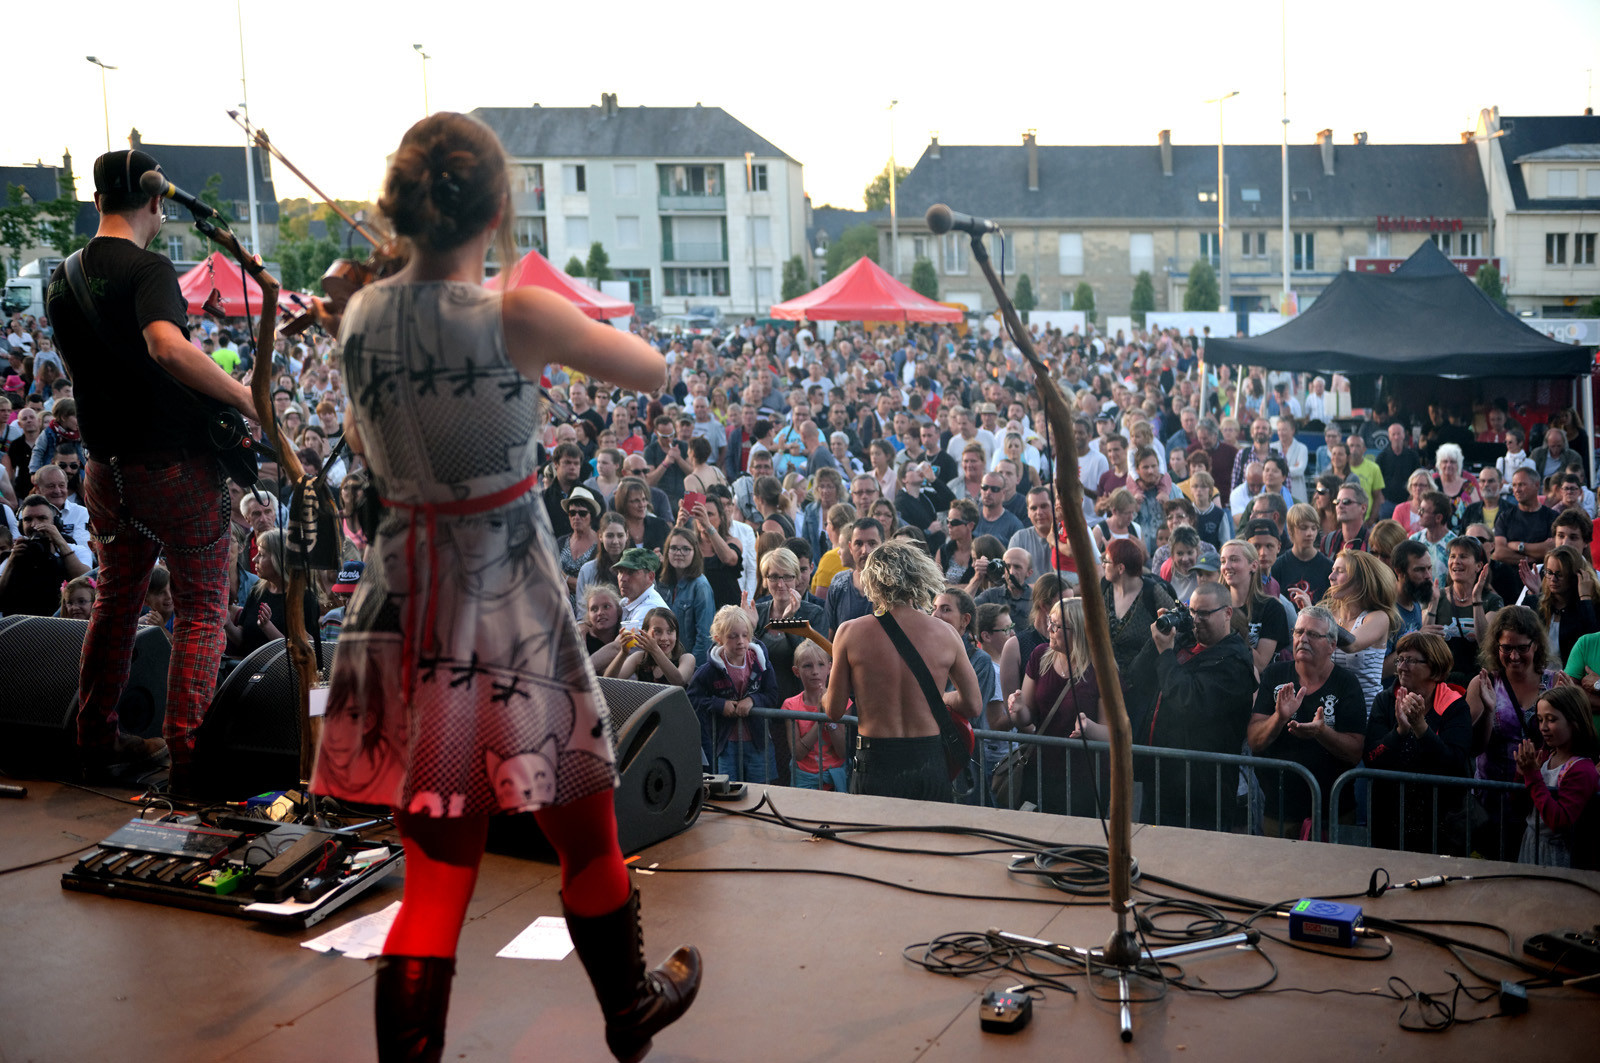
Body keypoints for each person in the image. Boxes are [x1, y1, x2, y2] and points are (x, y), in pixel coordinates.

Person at [304, 113, 697, 1063]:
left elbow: (366, 441)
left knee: (437, 875)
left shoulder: (357, 318)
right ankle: (629, 1008)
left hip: (402, 598)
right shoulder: (518, 314)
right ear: (497, 210)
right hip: (506, 602)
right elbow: (652, 369)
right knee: (586, 831)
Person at [45, 149, 260, 784]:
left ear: (97, 201)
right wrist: (244, 396)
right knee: (201, 605)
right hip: (173, 468)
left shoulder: (62, 278)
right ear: (157, 201)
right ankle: (187, 753)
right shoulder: (149, 268)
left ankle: (97, 740)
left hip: (106, 470)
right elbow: (165, 346)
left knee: (115, 602)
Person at [823, 539, 982, 801]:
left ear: (872, 580)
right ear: (919, 577)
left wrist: (823, 696)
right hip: (929, 760)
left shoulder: (849, 633)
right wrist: (939, 698)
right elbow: (973, 705)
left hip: (874, 760)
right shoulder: (946, 634)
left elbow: (834, 710)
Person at [1126, 581, 1257, 832]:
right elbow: (1137, 677)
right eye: (1192, 611)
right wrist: (1158, 639)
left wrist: (1166, 654)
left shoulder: (1235, 662)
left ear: (1227, 613)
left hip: (1202, 787)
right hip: (1161, 775)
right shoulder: (1183, 641)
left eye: (1204, 613)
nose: (1196, 620)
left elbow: (1189, 702)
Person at [1247, 606, 1366, 838]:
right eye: (1298, 632)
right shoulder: (1274, 674)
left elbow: (1355, 752)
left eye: (1312, 634)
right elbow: (1254, 741)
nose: (1303, 639)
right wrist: (1279, 718)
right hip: (1280, 809)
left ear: (1332, 645)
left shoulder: (1346, 683)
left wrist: (1322, 732)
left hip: (1333, 810)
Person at [1466, 605, 1564, 860]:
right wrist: (1488, 711)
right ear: (1495, 646)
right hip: (1491, 801)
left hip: (1539, 799)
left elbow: (1571, 744)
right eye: (1506, 648)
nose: (1514, 656)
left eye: (1522, 648)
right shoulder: (1484, 683)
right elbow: (1473, 748)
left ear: (1536, 645)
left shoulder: (1555, 683)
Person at [1363, 633, 1473, 853]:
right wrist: (1400, 732)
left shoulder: (1455, 706)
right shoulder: (1385, 700)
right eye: (1400, 659)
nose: (1402, 667)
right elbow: (1371, 758)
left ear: (1436, 669)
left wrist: (1421, 727)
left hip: (1440, 824)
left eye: (1411, 660)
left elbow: (1455, 764)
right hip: (1389, 820)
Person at [1006, 597, 1107, 817]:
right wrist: (1018, 709)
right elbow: (1026, 718)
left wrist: (1089, 727)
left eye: (1057, 626)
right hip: (1040, 771)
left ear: (1078, 631)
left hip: (1083, 779)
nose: (1049, 629)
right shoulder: (1040, 655)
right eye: (1050, 622)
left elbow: (1113, 733)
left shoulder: (1101, 669)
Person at [686, 604, 780, 784]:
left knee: (759, 788)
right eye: (733, 636)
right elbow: (692, 698)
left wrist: (753, 700)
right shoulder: (709, 670)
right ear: (718, 638)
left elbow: (772, 694)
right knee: (727, 788)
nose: (740, 641)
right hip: (725, 743)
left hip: (758, 741)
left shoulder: (761, 664)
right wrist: (719, 705)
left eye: (745, 635)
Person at [1515, 685, 1599, 868]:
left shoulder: (1581, 769)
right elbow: (1521, 807)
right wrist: (1522, 775)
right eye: (1540, 720)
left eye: (1551, 720)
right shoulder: (1546, 756)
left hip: (1558, 855)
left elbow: (1559, 821)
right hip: (1531, 843)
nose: (1543, 727)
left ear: (1574, 721)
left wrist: (1533, 776)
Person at [1425, 535, 1500, 682]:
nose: (1456, 561)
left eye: (1463, 556)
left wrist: (1476, 600)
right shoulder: (1437, 596)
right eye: (1452, 556)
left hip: (1478, 681)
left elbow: (1485, 643)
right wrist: (1432, 606)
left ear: (1478, 566)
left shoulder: (1492, 601)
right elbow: (1425, 644)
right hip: (1441, 681)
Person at [785, 640, 848, 790]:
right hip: (804, 778)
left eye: (821, 664)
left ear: (830, 667)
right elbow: (797, 753)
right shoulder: (790, 705)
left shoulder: (843, 702)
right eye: (808, 666)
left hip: (835, 778)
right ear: (796, 671)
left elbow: (842, 751)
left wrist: (829, 716)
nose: (815, 671)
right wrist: (821, 718)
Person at [1220, 538, 1290, 672]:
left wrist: (1231, 631)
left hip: (1256, 681)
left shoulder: (1272, 608)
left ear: (1253, 566)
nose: (1227, 566)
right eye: (1223, 561)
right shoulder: (1215, 607)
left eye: (1234, 560)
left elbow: (1260, 664)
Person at [658, 526, 714, 662]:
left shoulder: (700, 586)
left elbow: (705, 637)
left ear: (695, 552)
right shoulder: (663, 583)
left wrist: (693, 669)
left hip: (690, 664)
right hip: (666, 661)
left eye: (686, 549)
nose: (679, 553)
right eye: (674, 548)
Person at [1537, 545, 1600, 663]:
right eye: (1549, 572)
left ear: (1576, 576)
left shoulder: (1592, 607)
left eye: (1559, 574)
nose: (1553, 579)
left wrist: (1585, 598)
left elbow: (1593, 645)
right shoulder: (1537, 604)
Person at [605, 606, 695, 687]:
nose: (664, 638)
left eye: (670, 631)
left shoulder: (686, 658)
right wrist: (623, 653)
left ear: (676, 634)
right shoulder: (640, 658)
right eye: (657, 631)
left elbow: (679, 682)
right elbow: (607, 683)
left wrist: (655, 650)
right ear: (644, 633)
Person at [823, 517, 883, 633]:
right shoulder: (838, 584)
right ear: (850, 547)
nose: (865, 550)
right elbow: (829, 636)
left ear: (883, 545)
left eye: (872, 543)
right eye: (858, 544)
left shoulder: (895, 587)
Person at [1273, 503, 1334, 605]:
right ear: (1290, 529)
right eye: (1303, 528)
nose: (1310, 533)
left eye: (1313, 528)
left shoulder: (1328, 567)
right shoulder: (1278, 567)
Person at [556, 485, 602, 599]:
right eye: (572, 513)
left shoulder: (600, 545)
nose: (576, 517)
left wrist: (564, 578)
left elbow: (594, 586)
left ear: (591, 516)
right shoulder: (561, 542)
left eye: (582, 513)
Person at [615, 547, 670, 629]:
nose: (622, 578)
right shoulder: (626, 601)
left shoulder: (650, 608)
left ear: (650, 577)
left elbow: (626, 638)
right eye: (620, 571)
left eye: (631, 572)